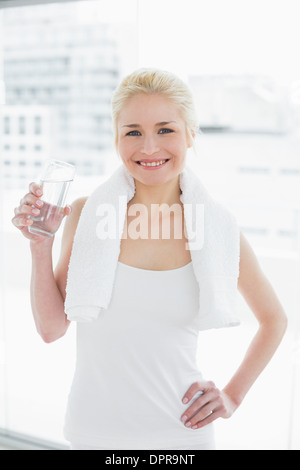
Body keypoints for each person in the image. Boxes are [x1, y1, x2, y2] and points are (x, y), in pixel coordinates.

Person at [12, 68, 287, 450]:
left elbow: (275, 320)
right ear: (117, 140)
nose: (149, 148)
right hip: (94, 432)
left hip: (182, 435)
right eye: (133, 132)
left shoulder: (217, 228)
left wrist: (233, 396)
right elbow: (52, 328)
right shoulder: (85, 214)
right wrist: (39, 245)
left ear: (191, 134)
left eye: (166, 129)